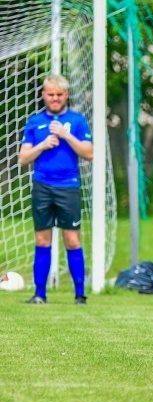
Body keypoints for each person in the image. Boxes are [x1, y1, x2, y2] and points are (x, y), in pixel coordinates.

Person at [18, 74, 93, 305]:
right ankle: (40, 294)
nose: (55, 99)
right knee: (42, 240)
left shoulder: (77, 121)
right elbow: (23, 158)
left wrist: (65, 135)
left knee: (72, 240)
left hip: (68, 187)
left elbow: (89, 153)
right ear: (43, 95)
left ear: (66, 95)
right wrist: (43, 144)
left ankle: (79, 294)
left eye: (59, 95)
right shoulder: (34, 122)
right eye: (50, 94)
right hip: (42, 186)